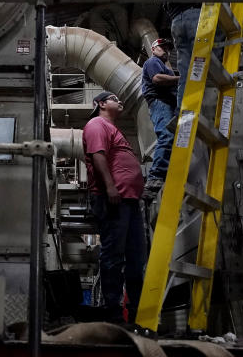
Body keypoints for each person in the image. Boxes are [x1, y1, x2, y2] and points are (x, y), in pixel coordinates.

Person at [83, 90, 147, 324]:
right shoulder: (97, 124)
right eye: (113, 99)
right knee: (114, 256)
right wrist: (110, 187)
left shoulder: (114, 129)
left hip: (129, 201)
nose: (119, 102)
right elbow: (98, 156)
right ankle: (114, 313)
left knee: (136, 258)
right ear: (100, 103)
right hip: (113, 199)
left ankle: (137, 314)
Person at [164, 0, 212, 107]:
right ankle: (207, 109)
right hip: (198, 15)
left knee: (185, 72)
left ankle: (183, 110)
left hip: (176, 21)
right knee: (209, 63)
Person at [141, 38, 178, 194]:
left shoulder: (164, 66)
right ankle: (155, 176)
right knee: (167, 136)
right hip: (160, 102)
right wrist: (181, 79)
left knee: (173, 138)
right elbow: (157, 79)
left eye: (168, 49)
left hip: (169, 104)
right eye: (162, 47)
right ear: (154, 48)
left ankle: (166, 173)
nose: (166, 51)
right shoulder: (153, 62)